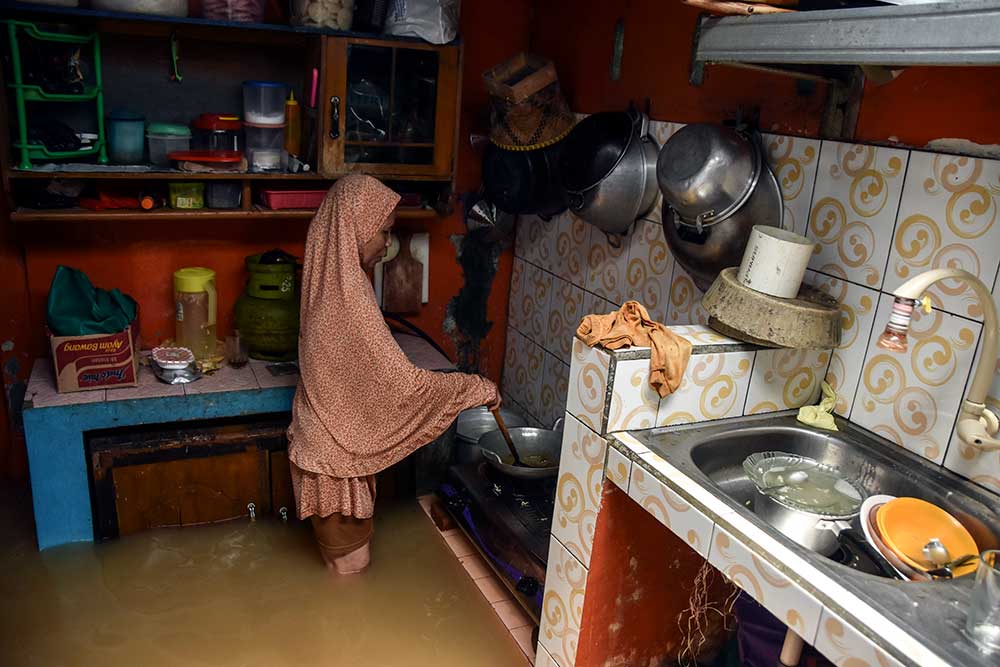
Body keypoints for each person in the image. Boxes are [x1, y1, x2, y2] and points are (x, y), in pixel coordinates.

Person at [288, 175, 500, 575]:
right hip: (334, 462)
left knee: (343, 568)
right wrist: (474, 387)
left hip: (328, 447)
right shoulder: (346, 303)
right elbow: (403, 388)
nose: (388, 243)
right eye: (383, 232)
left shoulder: (333, 283)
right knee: (351, 568)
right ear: (356, 228)